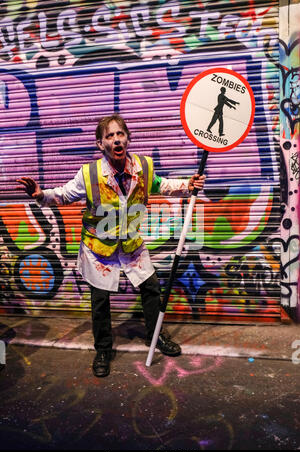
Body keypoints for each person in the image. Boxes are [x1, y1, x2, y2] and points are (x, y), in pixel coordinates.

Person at [17, 114, 205, 378]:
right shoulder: (90, 173)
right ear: (100, 144)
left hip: (130, 244)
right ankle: (103, 349)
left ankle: (155, 336)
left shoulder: (143, 167)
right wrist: (41, 195)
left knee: (151, 288)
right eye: (110, 136)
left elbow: (163, 185)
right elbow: (64, 194)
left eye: (120, 134)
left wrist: (189, 184)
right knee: (100, 300)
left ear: (127, 138)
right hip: (99, 249)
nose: (116, 139)